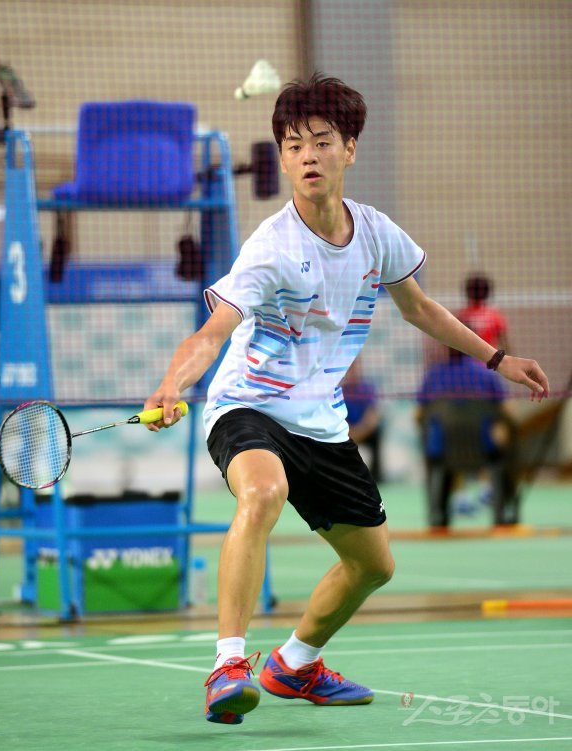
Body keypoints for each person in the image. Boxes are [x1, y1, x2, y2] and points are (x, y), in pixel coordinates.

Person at [143, 73, 549, 725]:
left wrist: (498, 358)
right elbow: (212, 331)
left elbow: (420, 308)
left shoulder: (376, 234)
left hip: (321, 420)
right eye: (293, 146)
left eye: (321, 142)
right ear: (283, 160)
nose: (307, 156)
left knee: (373, 564)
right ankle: (227, 665)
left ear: (349, 149)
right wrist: (172, 384)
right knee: (263, 492)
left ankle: (295, 664)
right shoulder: (271, 248)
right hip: (248, 406)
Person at [416, 345, 520, 528]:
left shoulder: (433, 376)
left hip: (443, 452)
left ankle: (438, 514)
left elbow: (417, 416)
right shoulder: (487, 375)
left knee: (432, 446)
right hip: (485, 450)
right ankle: (504, 510)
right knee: (509, 448)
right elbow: (510, 414)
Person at [341, 358, 382, 482]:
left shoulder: (367, 388)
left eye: (354, 367)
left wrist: (360, 431)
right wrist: (350, 432)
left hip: (364, 431)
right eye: (349, 368)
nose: (352, 371)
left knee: (377, 433)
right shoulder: (340, 390)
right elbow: (338, 417)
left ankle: (376, 476)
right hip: (347, 431)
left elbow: (373, 416)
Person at [457, 273, 511, 352]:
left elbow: (505, 343)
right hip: (479, 358)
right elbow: (505, 344)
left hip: (486, 358)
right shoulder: (462, 316)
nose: (477, 292)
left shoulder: (462, 315)